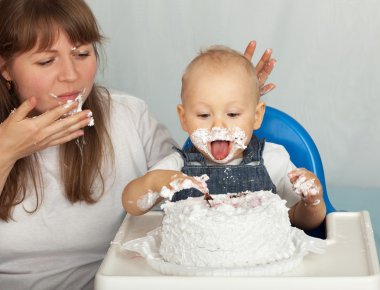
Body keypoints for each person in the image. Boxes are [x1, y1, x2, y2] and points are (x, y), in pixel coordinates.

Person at [0, 0, 276, 289]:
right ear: (6, 67)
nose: (70, 74)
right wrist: (7, 152)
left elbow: (189, 182)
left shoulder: (129, 115)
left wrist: (229, 96)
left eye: (82, 53)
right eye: (46, 61)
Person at [122, 46, 327, 231]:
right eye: (203, 115)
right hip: (192, 270)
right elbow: (131, 205)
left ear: (256, 116)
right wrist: (156, 182)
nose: (218, 126)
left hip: (262, 269)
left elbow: (300, 220)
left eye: (232, 114)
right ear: (183, 119)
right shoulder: (177, 169)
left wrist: (312, 203)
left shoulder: (274, 160)